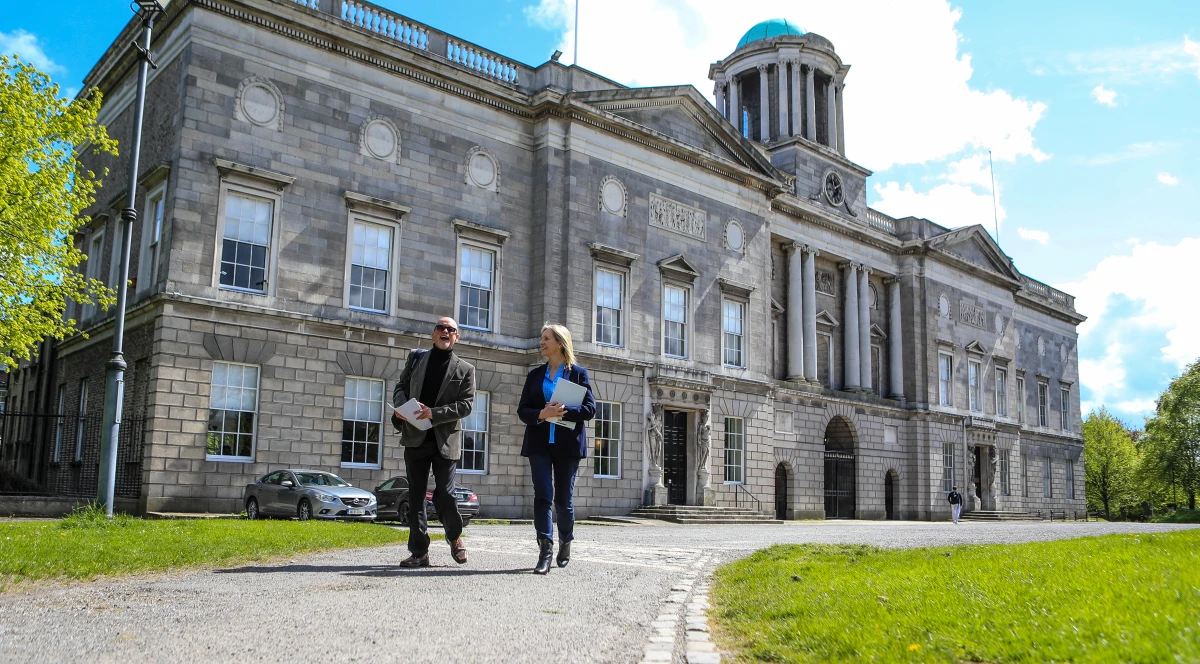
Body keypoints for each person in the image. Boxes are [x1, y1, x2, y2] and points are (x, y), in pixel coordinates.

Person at [390, 316, 476, 567]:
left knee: (446, 494)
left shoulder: (465, 369)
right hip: (415, 436)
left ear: (457, 337)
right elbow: (400, 387)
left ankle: (454, 536)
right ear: (433, 333)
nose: (445, 331)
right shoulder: (416, 359)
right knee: (416, 496)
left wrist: (434, 413)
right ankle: (419, 552)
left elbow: (466, 405)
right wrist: (401, 406)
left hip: (445, 439)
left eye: (451, 329)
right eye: (441, 327)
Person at [517, 324, 596, 574]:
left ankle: (566, 541)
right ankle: (545, 551)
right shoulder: (534, 375)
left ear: (560, 343)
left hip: (567, 445)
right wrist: (543, 413)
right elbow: (523, 410)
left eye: (546, 338)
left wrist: (563, 410)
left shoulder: (578, 374)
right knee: (542, 495)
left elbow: (589, 409)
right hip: (539, 444)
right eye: (541, 338)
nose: (541, 342)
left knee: (563, 500)